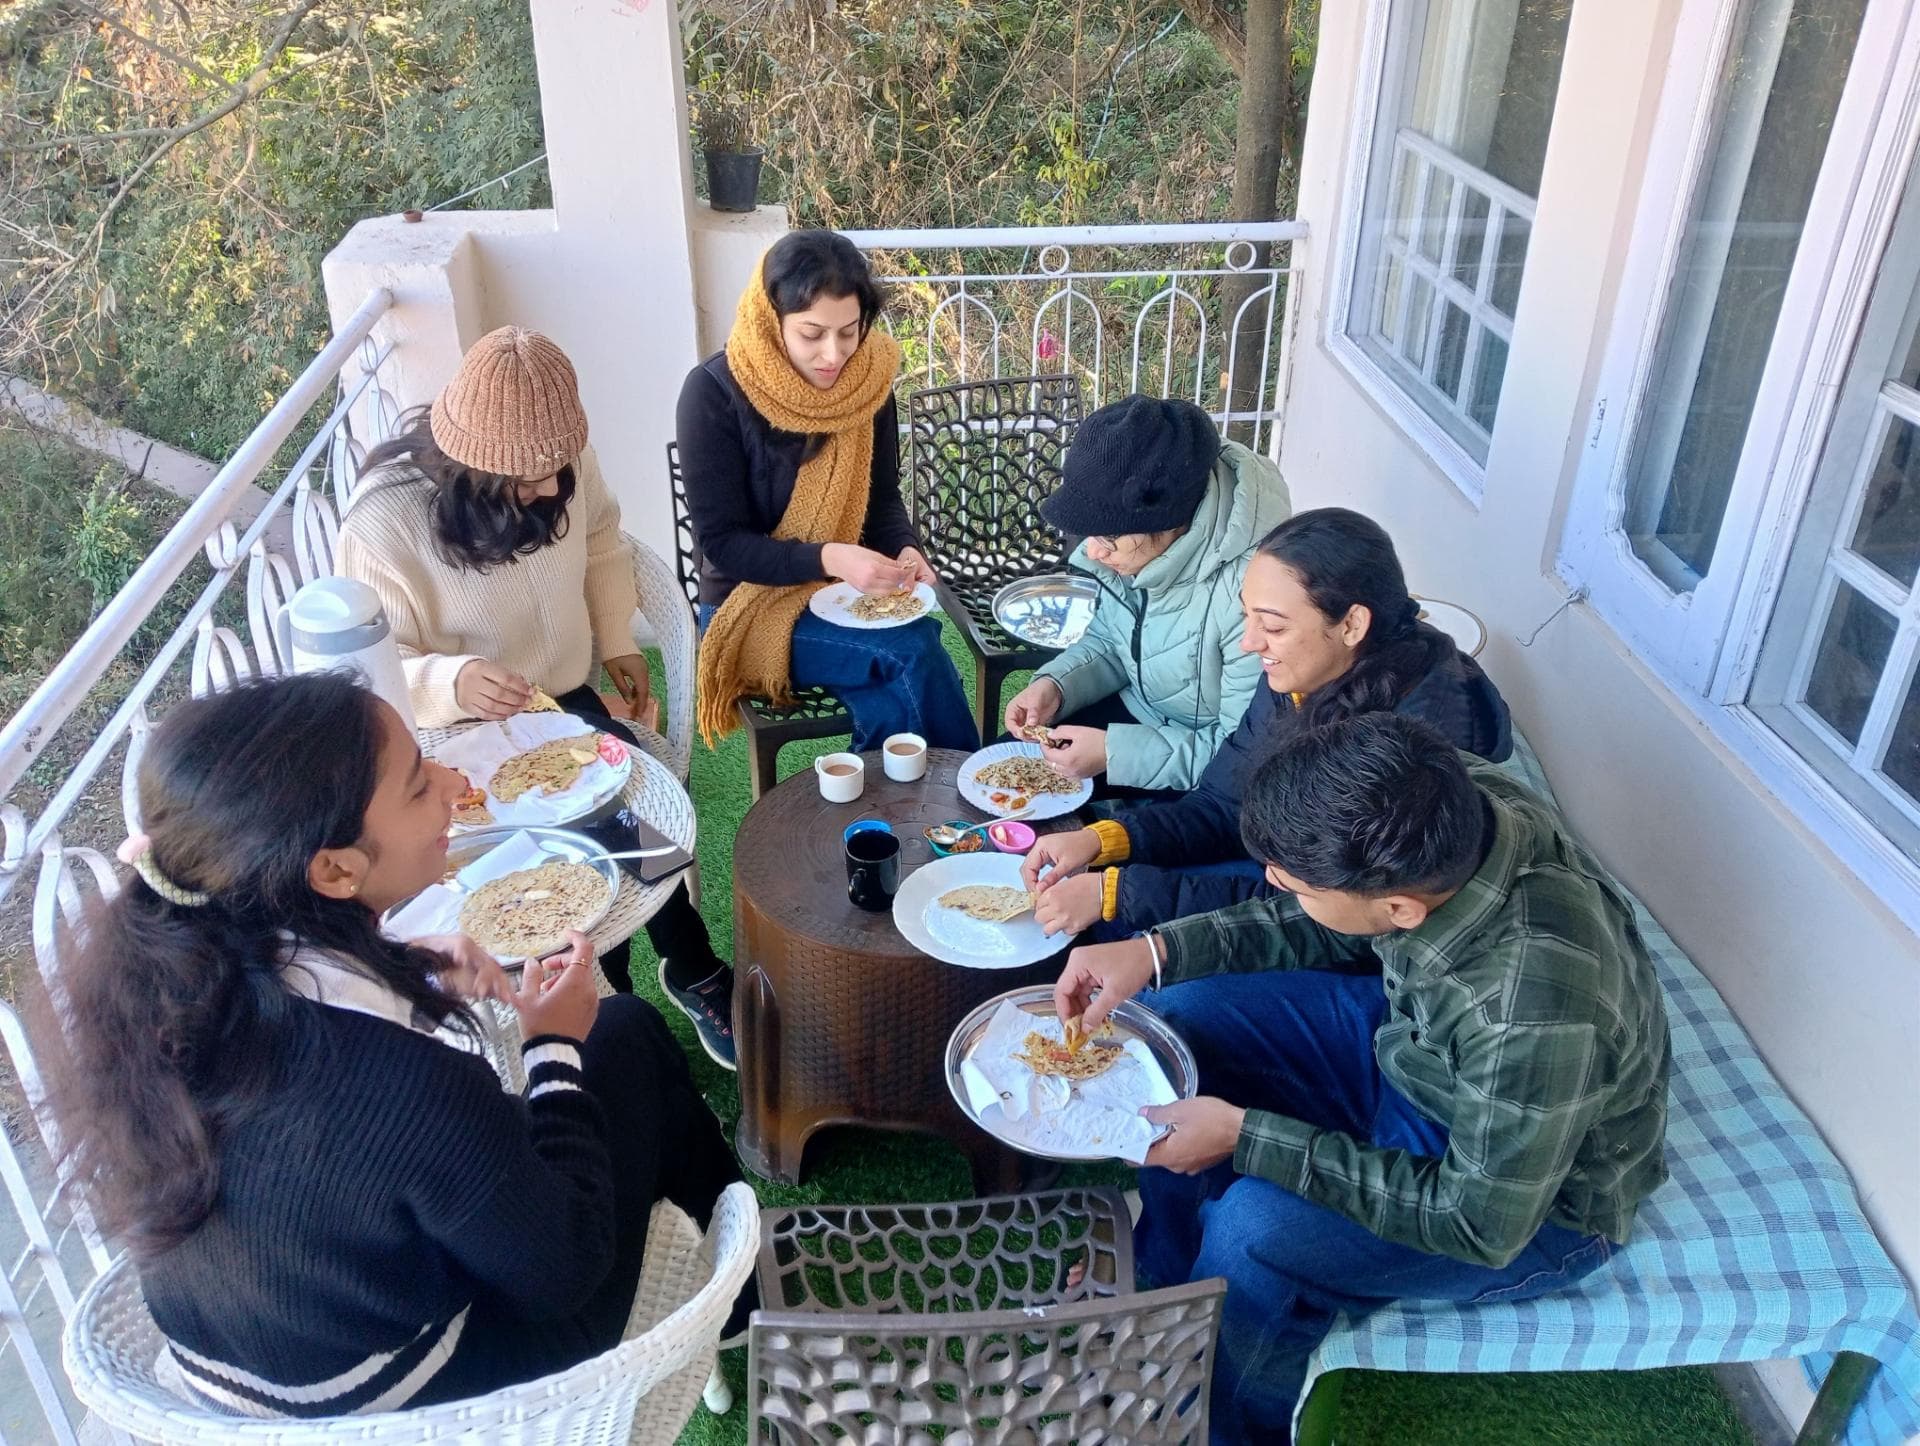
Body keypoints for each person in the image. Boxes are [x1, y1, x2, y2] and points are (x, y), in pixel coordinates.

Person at [47, 674, 745, 1419]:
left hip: (257, 1378)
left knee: (604, 1054)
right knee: (626, 1033)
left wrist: (401, 962)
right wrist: (552, 1051)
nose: (453, 784)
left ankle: (738, 1299)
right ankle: (743, 1303)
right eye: (419, 787)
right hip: (439, 1403)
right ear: (336, 870)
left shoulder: (171, 989)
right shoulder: (405, 1085)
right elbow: (563, 1271)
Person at [1050, 714, 1671, 1443]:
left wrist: (1247, 1139)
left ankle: (1217, 1425)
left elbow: (1477, 1222)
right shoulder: (1451, 797)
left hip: (1532, 1207)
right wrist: (1155, 953)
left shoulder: (1525, 1012)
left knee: (1255, 1229)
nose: (1277, 888)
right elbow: (1325, 917)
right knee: (1177, 1017)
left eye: (1293, 882)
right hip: (1415, 1044)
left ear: (1401, 909)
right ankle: (1167, 1280)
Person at [338, 326, 736, 1070]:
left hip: (561, 703)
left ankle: (693, 970)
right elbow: (377, 670)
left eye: (560, 470)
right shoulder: (381, 525)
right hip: (453, 733)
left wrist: (617, 637)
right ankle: (606, 1007)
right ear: (468, 473)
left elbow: (604, 536)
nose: (553, 490)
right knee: (545, 870)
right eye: (528, 485)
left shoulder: (559, 457)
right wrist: (449, 680)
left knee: (632, 830)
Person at [1024, 507, 1511, 938]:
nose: (1248, 643)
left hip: (1366, 948)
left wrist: (1120, 895)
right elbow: (1221, 804)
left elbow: (1320, 916)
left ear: (1352, 625)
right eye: (1247, 618)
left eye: (1273, 626)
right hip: (1289, 876)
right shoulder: (1303, 673)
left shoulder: (1412, 744)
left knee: (1159, 978)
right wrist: (1102, 839)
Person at [678, 229, 978, 753]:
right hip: (744, 605)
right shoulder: (712, 392)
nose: (834, 354)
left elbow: (882, 498)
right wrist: (832, 558)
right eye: (812, 333)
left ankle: (884, 824)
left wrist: (905, 547)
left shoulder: (869, 380)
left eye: (850, 330)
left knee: (891, 694)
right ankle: (973, 798)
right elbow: (723, 543)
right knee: (910, 649)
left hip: (842, 594)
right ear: (773, 321)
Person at [999, 395, 1291, 799]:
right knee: (999, 767)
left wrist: (1114, 754)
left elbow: (1240, 756)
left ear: (1170, 522)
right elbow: (1113, 640)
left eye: (1110, 537)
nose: (1094, 552)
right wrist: (1056, 686)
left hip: (1212, 768)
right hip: (1141, 712)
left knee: (1064, 833)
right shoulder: (1128, 554)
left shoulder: (1257, 593)